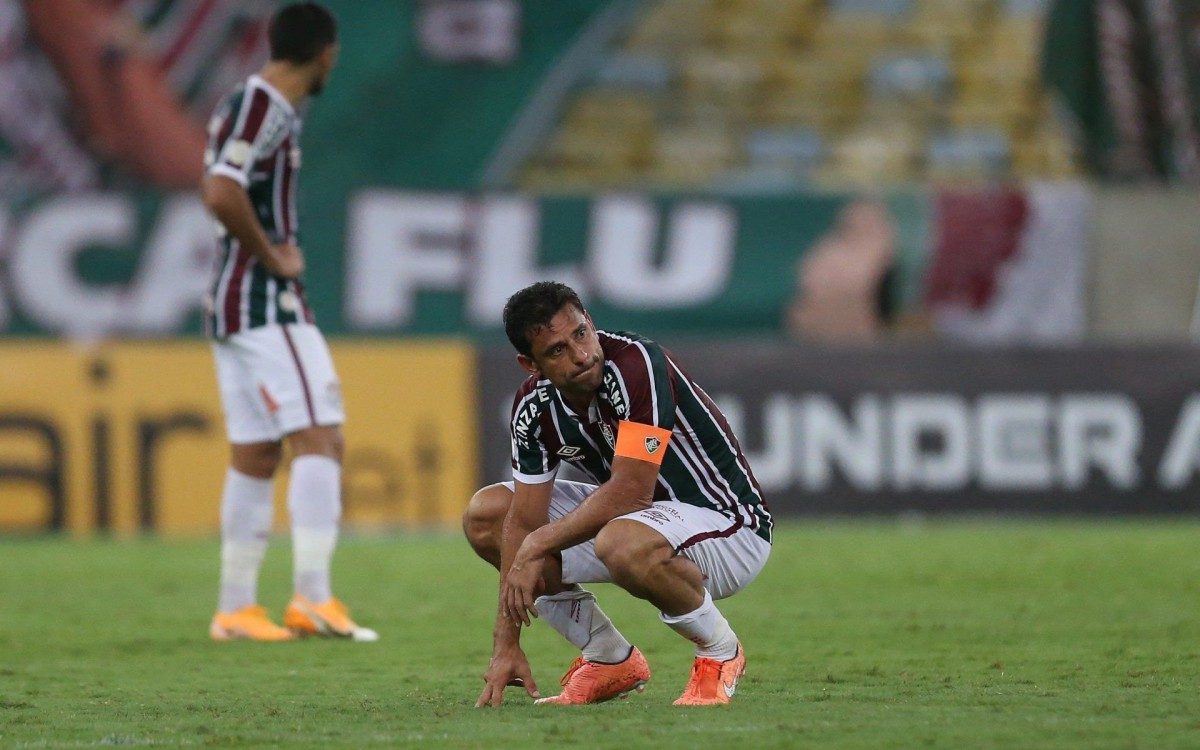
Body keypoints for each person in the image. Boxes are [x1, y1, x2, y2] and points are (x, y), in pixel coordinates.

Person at [465, 281, 773, 706]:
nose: (581, 355)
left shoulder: (635, 362)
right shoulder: (533, 409)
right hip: (640, 522)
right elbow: (522, 523)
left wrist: (537, 542)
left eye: (581, 333)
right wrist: (506, 644)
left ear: (591, 322)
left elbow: (631, 492)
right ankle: (608, 656)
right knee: (489, 516)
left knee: (619, 540)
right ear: (529, 364)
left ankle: (720, 651)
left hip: (729, 524)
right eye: (557, 350)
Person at [200, 2, 374, 643]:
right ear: (325, 52)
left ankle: (235, 608)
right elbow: (221, 190)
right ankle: (313, 598)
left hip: (232, 304)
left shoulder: (244, 101)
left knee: (256, 453)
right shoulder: (265, 103)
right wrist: (273, 257)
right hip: (264, 301)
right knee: (321, 438)